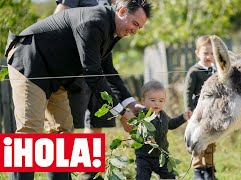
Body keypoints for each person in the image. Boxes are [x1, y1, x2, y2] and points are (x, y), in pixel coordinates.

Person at [4, 0, 152, 179]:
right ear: (121, 11)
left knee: (63, 132)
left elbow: (108, 71)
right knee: (30, 133)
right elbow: (93, 73)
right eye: (135, 23)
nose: (135, 30)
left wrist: (131, 104)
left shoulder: (112, 31)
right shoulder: (93, 22)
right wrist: (121, 113)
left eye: (140, 28)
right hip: (30, 62)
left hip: (56, 75)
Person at [135, 80, 192, 180]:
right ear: (143, 101)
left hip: (162, 155)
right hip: (144, 156)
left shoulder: (163, 116)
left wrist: (183, 117)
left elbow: (171, 124)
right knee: (142, 176)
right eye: (152, 100)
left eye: (161, 101)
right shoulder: (141, 116)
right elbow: (134, 127)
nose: (156, 103)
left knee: (169, 176)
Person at [184, 35, 217, 180]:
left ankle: (209, 170)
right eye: (205, 53)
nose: (209, 56)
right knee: (197, 140)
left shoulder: (216, 70)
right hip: (198, 113)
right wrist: (188, 109)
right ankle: (198, 170)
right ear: (198, 53)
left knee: (210, 140)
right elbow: (187, 91)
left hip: (213, 113)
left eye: (212, 53)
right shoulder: (194, 71)